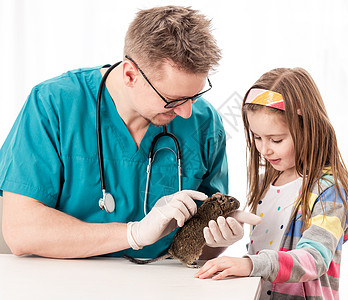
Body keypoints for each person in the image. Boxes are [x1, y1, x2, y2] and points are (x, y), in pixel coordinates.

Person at [0, 5, 259, 259]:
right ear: (130, 74)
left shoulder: (204, 122)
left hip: (163, 285)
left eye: (194, 96)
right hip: (65, 281)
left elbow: (196, 249)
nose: (187, 113)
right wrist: (133, 234)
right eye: (173, 99)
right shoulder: (54, 104)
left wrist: (218, 239)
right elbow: (21, 231)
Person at [195, 67, 348, 299]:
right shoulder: (271, 181)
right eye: (257, 137)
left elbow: (314, 258)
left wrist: (250, 265)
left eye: (276, 139)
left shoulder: (330, 191)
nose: (265, 149)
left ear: (308, 129)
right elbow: (264, 249)